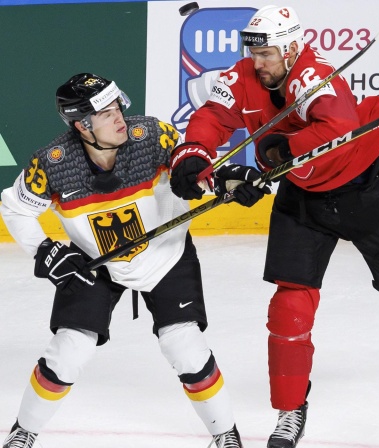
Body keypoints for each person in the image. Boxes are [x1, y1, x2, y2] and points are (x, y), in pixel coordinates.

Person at [169, 5, 379, 448]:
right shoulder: (245, 76)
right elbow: (213, 117)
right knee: (289, 307)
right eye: (253, 52)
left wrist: (280, 153)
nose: (257, 63)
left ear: (293, 47)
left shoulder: (315, 77)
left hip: (364, 189)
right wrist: (194, 154)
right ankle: (290, 410)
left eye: (268, 54)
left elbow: (337, 129)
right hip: (303, 199)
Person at [0, 73, 244, 448]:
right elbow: (14, 208)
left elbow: (192, 167)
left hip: (166, 256)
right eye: (106, 113)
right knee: (69, 350)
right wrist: (45, 249)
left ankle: (225, 433)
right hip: (96, 262)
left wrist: (223, 181)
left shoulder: (153, 136)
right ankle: (24, 431)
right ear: (82, 125)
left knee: (185, 347)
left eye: (118, 107)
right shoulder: (53, 163)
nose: (120, 118)